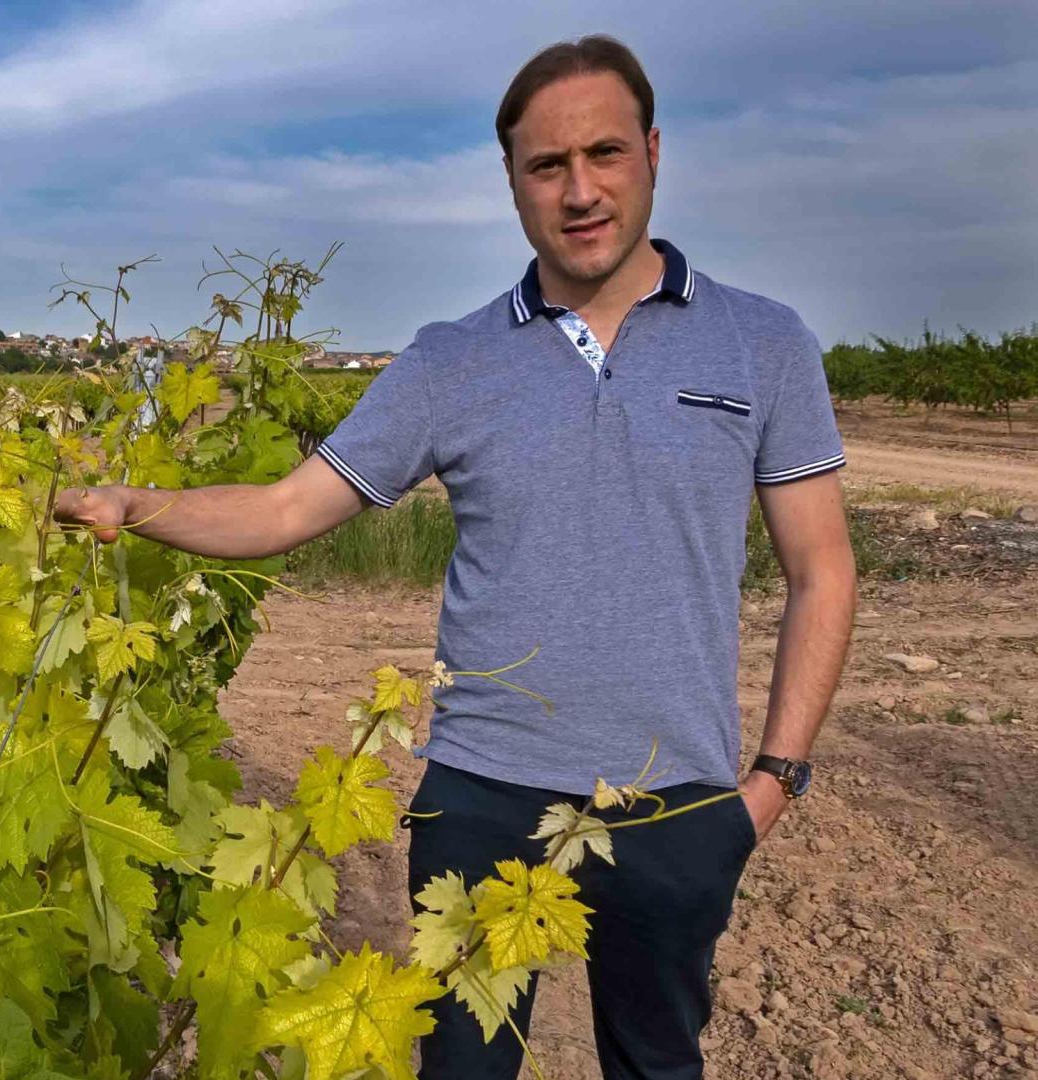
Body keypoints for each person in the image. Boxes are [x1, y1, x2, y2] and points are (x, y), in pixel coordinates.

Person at [54, 34, 856, 1080]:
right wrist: (137, 503)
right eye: (546, 166)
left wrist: (771, 786)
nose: (579, 191)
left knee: (658, 1066)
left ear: (653, 153)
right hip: (481, 798)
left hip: (679, 802)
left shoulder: (763, 343)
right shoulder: (452, 360)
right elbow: (288, 508)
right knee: (463, 1070)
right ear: (513, 183)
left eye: (605, 155)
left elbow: (823, 569)